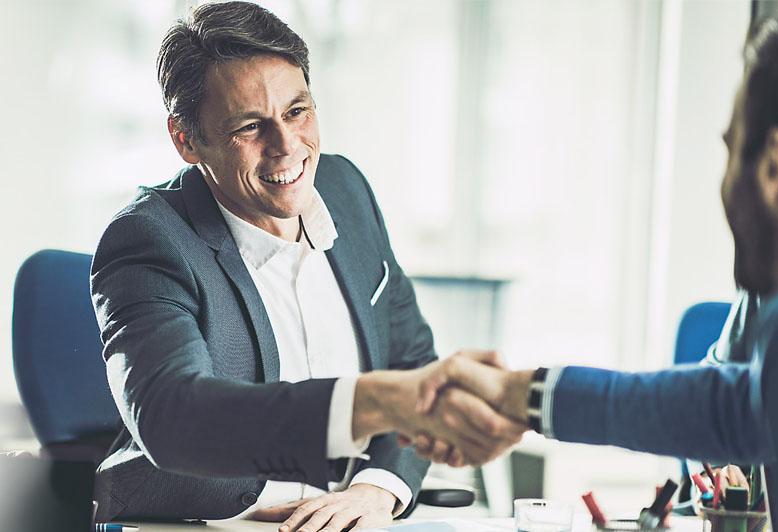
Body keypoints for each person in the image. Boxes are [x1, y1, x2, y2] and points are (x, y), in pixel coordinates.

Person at [90, 2, 525, 530]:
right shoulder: (149, 239)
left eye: (297, 112)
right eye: (250, 127)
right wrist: (376, 402)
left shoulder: (346, 190)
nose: (287, 146)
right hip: (209, 522)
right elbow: (174, 419)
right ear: (186, 140)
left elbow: (412, 360)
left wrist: (376, 488)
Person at [409, 4, 778, 526]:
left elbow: (725, 412)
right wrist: (515, 396)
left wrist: (515, 396)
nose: (724, 184)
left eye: (731, 152)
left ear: (775, 164)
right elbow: (721, 409)